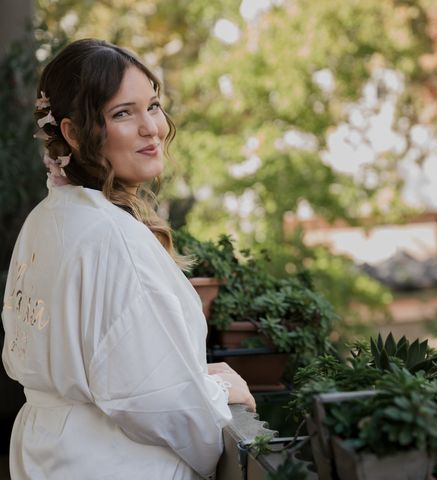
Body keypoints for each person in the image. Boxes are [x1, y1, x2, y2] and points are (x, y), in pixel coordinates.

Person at [1, 38, 255, 480]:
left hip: (48, 454)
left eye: (153, 106)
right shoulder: (111, 238)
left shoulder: (46, 220)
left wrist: (194, 374)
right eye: (122, 113)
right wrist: (216, 390)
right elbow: (156, 399)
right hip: (116, 461)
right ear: (73, 133)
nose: (151, 127)